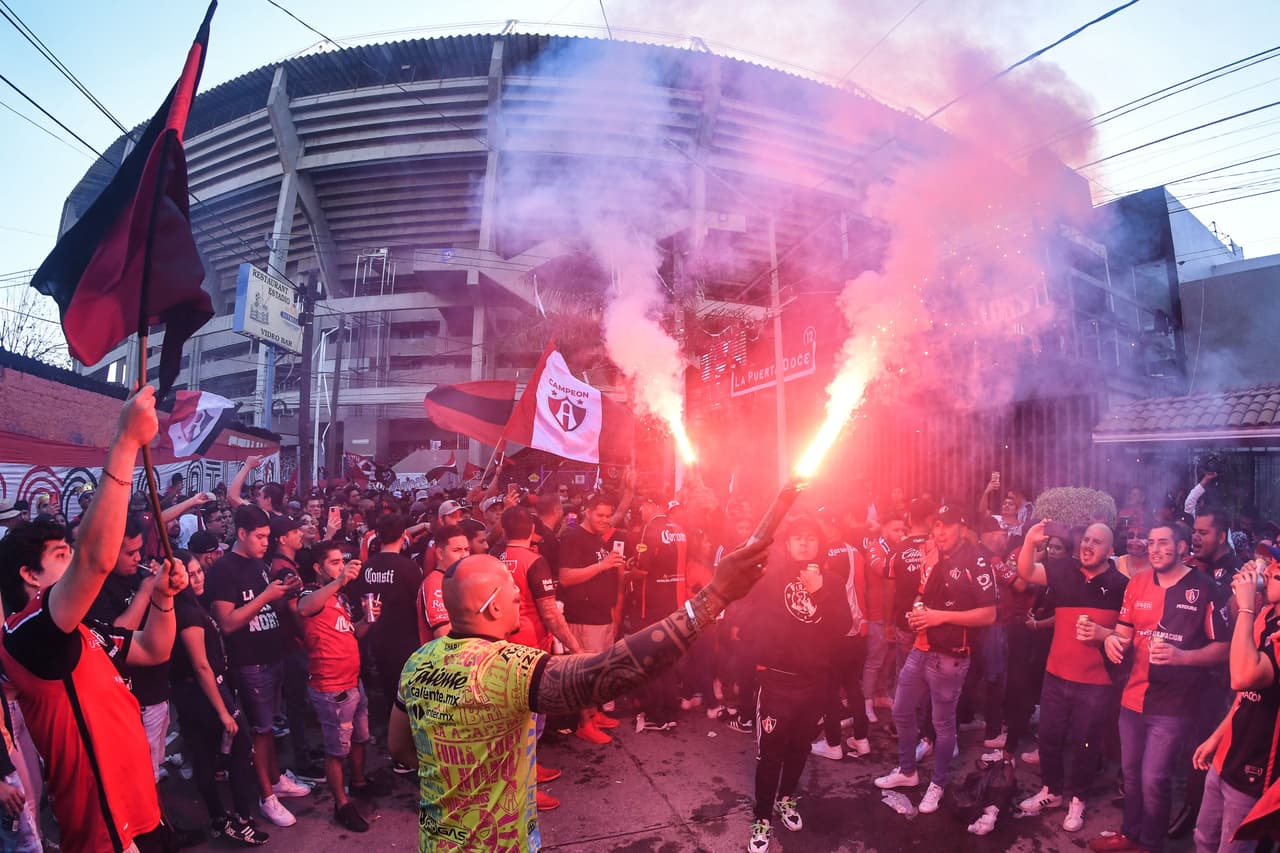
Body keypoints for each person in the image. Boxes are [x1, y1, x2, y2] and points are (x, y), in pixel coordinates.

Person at [388, 539, 770, 852]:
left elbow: (400, 747)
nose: (519, 592)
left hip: (436, 841)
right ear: (493, 605)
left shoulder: (418, 661)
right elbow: (611, 671)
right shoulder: (509, 668)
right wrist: (713, 597)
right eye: (511, 584)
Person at [0, 387, 185, 853]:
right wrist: (124, 443)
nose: (74, 561)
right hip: (105, 827)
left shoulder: (82, 628)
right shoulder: (28, 633)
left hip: (143, 808)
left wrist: (163, 598)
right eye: (62, 554)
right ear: (29, 575)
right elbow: (96, 561)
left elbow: (153, 649)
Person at [1093, 524, 1229, 853]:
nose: (1153, 549)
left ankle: (1151, 844)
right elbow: (1123, 633)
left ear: (1182, 547)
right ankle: (1129, 833)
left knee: (1155, 779)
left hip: (1174, 706)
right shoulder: (1137, 583)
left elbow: (1223, 648)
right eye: (1150, 543)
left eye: (1162, 543)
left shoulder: (1206, 589)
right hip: (1132, 699)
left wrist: (1182, 656)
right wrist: (1112, 641)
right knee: (1132, 775)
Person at [733, 515, 850, 851]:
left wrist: (821, 591)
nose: (803, 542)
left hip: (813, 684)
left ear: (819, 543)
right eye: (797, 537)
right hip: (776, 683)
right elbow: (746, 599)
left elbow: (842, 626)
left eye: (810, 537)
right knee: (770, 755)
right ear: (787, 543)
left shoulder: (832, 580)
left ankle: (786, 799)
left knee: (799, 748)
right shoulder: (772, 577)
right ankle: (762, 818)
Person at [876, 505, 996, 816]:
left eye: (948, 525)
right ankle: (907, 770)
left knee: (943, 725)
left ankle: (938, 784)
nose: (940, 531)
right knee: (902, 710)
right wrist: (919, 610)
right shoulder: (934, 556)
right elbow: (922, 596)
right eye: (937, 525)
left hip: (950, 658)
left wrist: (938, 617)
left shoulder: (977, 559)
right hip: (921, 646)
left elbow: (988, 614)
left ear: (962, 527)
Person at [1014, 520, 1126, 832]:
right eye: (1086, 539)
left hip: (1096, 683)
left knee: (1085, 745)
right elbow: (1026, 571)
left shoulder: (1121, 585)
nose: (1088, 545)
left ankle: (1078, 798)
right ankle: (1051, 791)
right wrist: (1029, 542)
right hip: (1056, 675)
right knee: (1048, 738)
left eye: (1097, 541)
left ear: (1111, 551)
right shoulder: (1065, 570)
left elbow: (1129, 634)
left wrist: (1104, 634)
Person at [206, 505, 310, 829]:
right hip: (250, 663)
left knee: (270, 728)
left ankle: (276, 779)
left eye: (268, 536)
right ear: (241, 534)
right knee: (261, 732)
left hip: (273, 655)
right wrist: (267, 595)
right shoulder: (224, 569)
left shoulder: (260, 565)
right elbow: (227, 622)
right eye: (260, 537)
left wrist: (283, 593)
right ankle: (267, 797)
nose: (267, 543)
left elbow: (267, 607)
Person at [168, 550, 268, 845]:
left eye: (199, 571)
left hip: (198, 692)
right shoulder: (187, 613)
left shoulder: (188, 605)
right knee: (236, 749)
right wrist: (224, 711)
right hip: (203, 694)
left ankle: (221, 820)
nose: (198, 577)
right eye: (190, 573)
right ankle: (238, 820)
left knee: (206, 755)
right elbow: (200, 666)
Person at [295, 541, 386, 832]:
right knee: (336, 750)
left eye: (341, 561)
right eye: (333, 562)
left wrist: (369, 619)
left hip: (353, 682)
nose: (340, 566)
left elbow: (354, 634)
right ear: (318, 567)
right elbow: (304, 608)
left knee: (360, 738)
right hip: (331, 687)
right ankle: (341, 804)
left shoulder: (341, 599)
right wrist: (339, 579)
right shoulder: (311, 593)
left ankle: (358, 783)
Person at [556, 493, 626, 744]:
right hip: (583, 618)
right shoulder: (573, 537)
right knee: (586, 672)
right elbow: (565, 577)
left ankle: (593, 715)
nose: (605, 520)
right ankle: (584, 723)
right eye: (600, 515)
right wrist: (603, 565)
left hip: (600, 616)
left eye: (608, 516)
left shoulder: (596, 537)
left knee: (599, 670)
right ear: (587, 511)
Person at [632, 494, 689, 733]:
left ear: (652, 504)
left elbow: (641, 569)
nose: (641, 510)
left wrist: (626, 571)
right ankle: (670, 711)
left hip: (653, 605)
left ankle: (657, 715)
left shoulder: (650, 528)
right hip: (676, 604)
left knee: (652, 661)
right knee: (669, 659)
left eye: (643, 505)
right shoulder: (679, 528)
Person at [417, 525, 470, 645]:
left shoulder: (459, 579)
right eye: (456, 550)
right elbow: (443, 633)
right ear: (440, 553)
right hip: (442, 660)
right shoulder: (435, 583)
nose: (464, 555)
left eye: (466, 549)